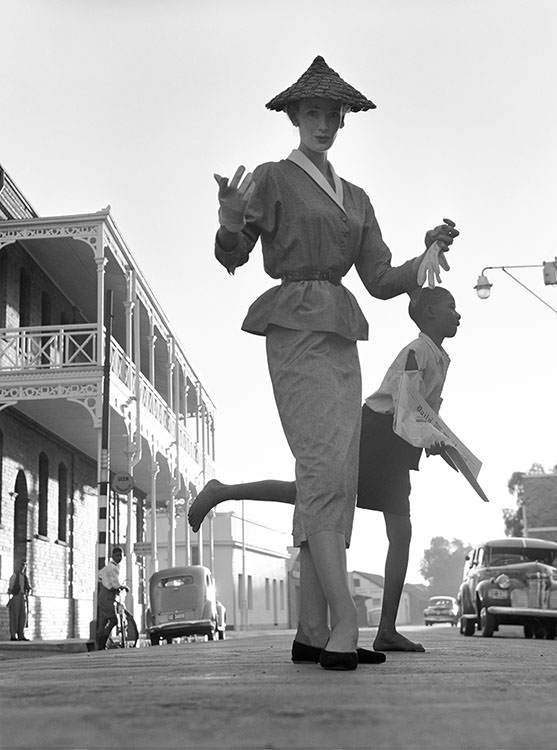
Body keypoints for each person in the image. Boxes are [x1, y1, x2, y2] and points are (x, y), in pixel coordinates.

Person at [211, 56, 459, 670]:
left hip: (342, 336)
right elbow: (232, 256)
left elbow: (380, 279)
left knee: (337, 475)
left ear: (344, 121)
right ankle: (347, 621)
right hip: (293, 325)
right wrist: (227, 222)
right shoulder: (270, 178)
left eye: (333, 114)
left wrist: (425, 253)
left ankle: (310, 629)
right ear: (295, 116)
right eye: (313, 112)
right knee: (323, 463)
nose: (324, 122)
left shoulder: (356, 198)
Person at [189, 286, 460, 655]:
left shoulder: (441, 358)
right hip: (377, 432)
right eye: (450, 307)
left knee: (385, 525)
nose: (457, 314)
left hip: (398, 443)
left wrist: (441, 445)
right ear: (428, 314)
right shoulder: (416, 351)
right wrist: (429, 437)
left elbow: (426, 414)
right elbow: (406, 404)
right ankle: (221, 491)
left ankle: (387, 629)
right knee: (311, 494)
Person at [96, 545, 128, 650]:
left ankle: (100, 643)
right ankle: (102, 642)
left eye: (121, 556)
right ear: (113, 555)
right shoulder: (113, 568)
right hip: (108, 598)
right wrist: (123, 587)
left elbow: (101, 576)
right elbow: (115, 584)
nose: (119, 558)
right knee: (114, 620)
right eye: (117, 555)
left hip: (103, 597)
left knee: (104, 620)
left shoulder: (108, 567)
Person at [7, 559, 31, 641]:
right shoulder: (14, 576)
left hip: (23, 597)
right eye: (21, 565)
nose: (23, 567)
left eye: (24, 565)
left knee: (22, 616)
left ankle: (21, 634)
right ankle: (13, 635)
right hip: (16, 596)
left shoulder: (24, 577)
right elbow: (10, 587)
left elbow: (27, 587)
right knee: (14, 616)